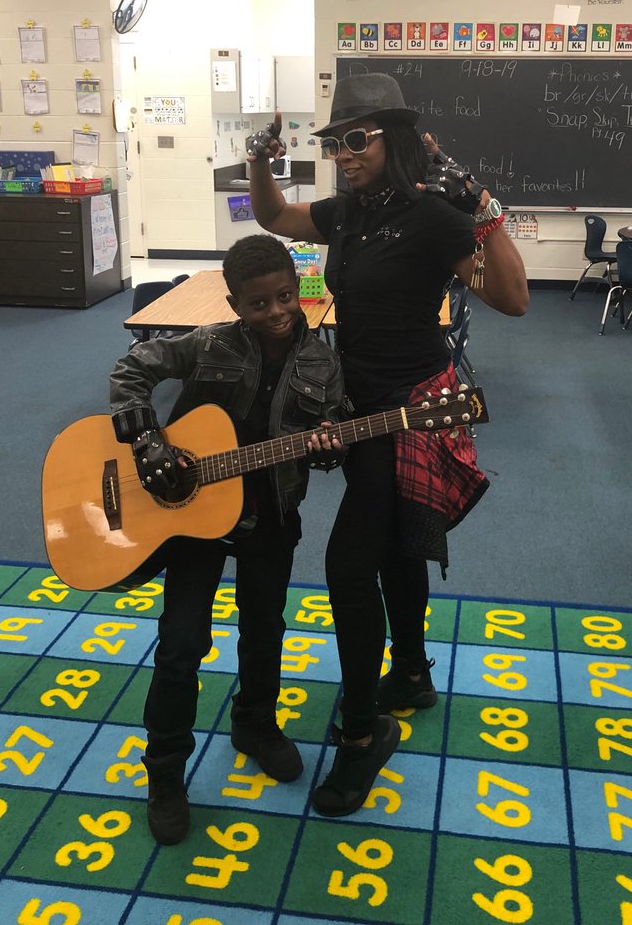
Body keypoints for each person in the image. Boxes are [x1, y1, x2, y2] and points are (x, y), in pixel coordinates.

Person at [247, 73, 529, 817]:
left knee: (348, 564)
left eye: (360, 138)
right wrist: (258, 161)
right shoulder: (348, 212)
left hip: (413, 409)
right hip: (357, 402)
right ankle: (409, 672)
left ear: (395, 140)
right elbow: (275, 214)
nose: (344, 152)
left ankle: (366, 732)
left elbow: (513, 298)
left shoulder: (434, 216)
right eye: (337, 141)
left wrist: (478, 202)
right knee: (400, 542)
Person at [109, 234, 347, 845]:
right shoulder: (210, 341)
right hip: (194, 516)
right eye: (258, 303)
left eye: (285, 297)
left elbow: (336, 422)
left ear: (299, 291)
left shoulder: (321, 362)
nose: (276, 312)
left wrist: (328, 443)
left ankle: (255, 724)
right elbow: (132, 368)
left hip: (271, 512)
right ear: (235, 304)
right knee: (182, 642)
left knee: (266, 629)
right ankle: (165, 774)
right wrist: (148, 442)